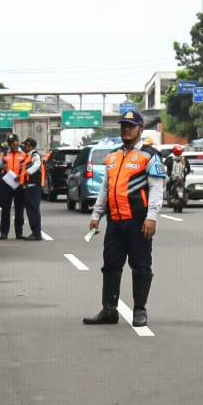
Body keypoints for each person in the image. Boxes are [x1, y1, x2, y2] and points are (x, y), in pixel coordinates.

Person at [82, 109, 166, 327]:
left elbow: (157, 188)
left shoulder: (150, 155)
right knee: (110, 266)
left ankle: (140, 310)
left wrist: (152, 217)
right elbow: (105, 188)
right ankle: (109, 310)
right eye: (123, 126)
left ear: (140, 129)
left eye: (131, 126)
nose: (126, 130)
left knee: (141, 266)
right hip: (115, 222)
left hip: (139, 222)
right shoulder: (113, 156)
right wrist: (96, 215)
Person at [0, 134, 27, 239]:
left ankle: (19, 233)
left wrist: (22, 173)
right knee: (5, 209)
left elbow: (28, 166)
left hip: (19, 184)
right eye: (11, 143)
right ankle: (4, 233)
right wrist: (2, 167)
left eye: (15, 142)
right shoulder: (4, 153)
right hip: (6, 183)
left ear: (18, 142)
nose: (13, 144)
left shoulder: (24, 153)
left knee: (19, 209)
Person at [20, 137, 45, 240]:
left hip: (33, 187)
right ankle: (35, 232)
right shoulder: (28, 156)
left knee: (33, 210)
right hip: (29, 187)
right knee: (30, 211)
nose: (24, 147)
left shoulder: (35, 155)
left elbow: (37, 164)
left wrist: (29, 171)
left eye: (25, 145)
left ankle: (36, 233)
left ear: (29, 146)